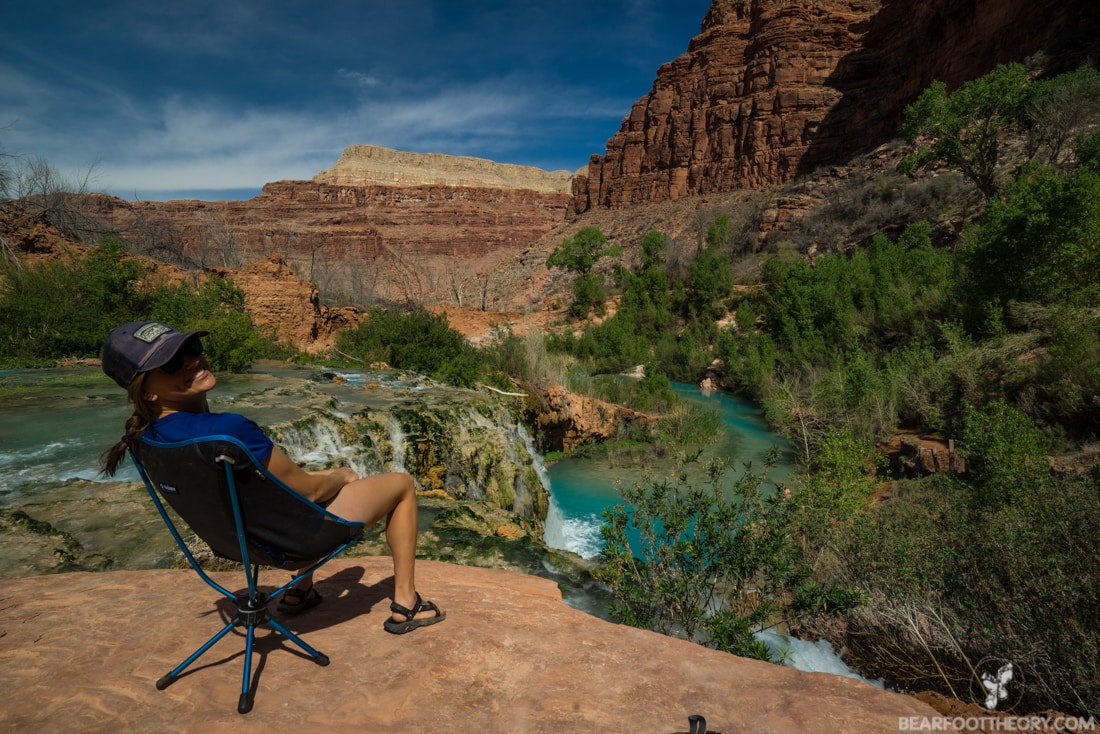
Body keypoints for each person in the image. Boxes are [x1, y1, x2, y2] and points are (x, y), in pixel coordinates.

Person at [99, 320, 445, 634]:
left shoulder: (141, 438)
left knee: (300, 480)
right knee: (401, 484)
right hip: (292, 545)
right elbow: (308, 494)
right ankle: (406, 603)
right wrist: (340, 475)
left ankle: (300, 590)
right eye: (173, 364)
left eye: (192, 349)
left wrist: (322, 477)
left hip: (237, 546)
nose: (193, 361)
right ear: (147, 392)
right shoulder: (228, 431)